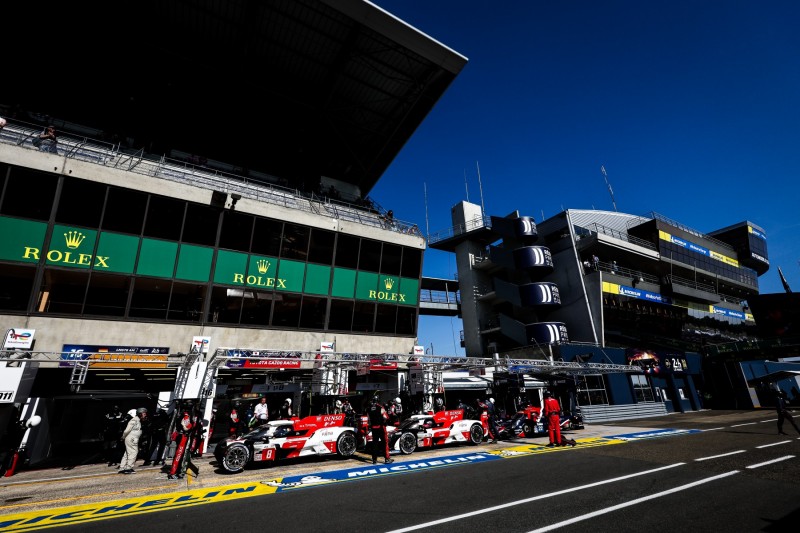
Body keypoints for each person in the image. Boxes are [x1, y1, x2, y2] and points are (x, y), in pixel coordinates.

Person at [119, 408, 146, 474]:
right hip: (132, 439)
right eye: (144, 413)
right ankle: (128, 468)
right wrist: (123, 437)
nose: (145, 415)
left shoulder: (137, 420)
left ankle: (122, 467)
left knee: (127, 453)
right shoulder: (134, 420)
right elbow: (127, 430)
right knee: (133, 452)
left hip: (132, 439)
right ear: (140, 414)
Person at [367, 396, 393, 465]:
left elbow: (368, 420)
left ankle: (374, 460)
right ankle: (387, 459)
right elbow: (385, 417)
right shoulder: (380, 407)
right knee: (385, 443)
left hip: (373, 428)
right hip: (381, 427)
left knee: (375, 443)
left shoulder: (369, 409)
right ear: (378, 400)